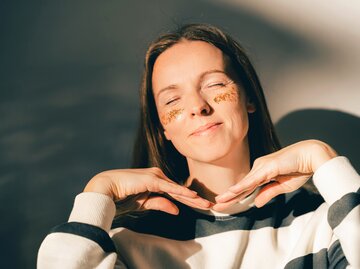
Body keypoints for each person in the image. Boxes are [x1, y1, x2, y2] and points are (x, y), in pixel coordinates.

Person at [37, 24, 360, 268]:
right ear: (162, 125)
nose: (197, 107)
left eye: (215, 84)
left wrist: (325, 160)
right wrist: (97, 193)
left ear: (249, 99)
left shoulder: (323, 220)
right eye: (173, 99)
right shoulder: (128, 241)